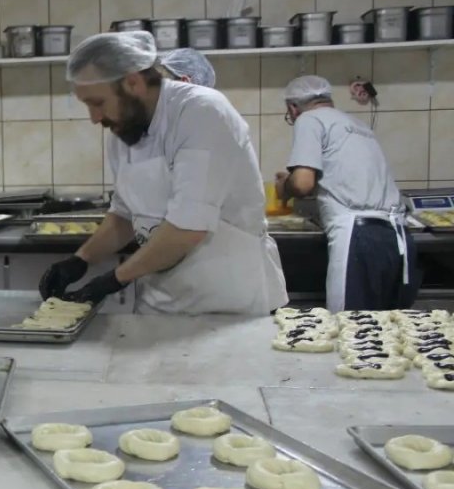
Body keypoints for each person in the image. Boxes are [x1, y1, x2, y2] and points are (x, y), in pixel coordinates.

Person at [39, 31, 287, 314]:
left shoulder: (201, 112)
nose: (94, 118)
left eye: (97, 103)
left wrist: (112, 280)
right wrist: (81, 260)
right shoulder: (125, 128)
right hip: (161, 301)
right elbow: (124, 214)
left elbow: (187, 228)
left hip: (226, 302)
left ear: (132, 83)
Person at [276, 75, 419, 312]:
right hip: (397, 238)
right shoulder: (358, 125)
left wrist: (284, 187)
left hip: (358, 238)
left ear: (293, 107)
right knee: (387, 332)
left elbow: (302, 184)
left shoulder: (309, 119)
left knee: (352, 330)